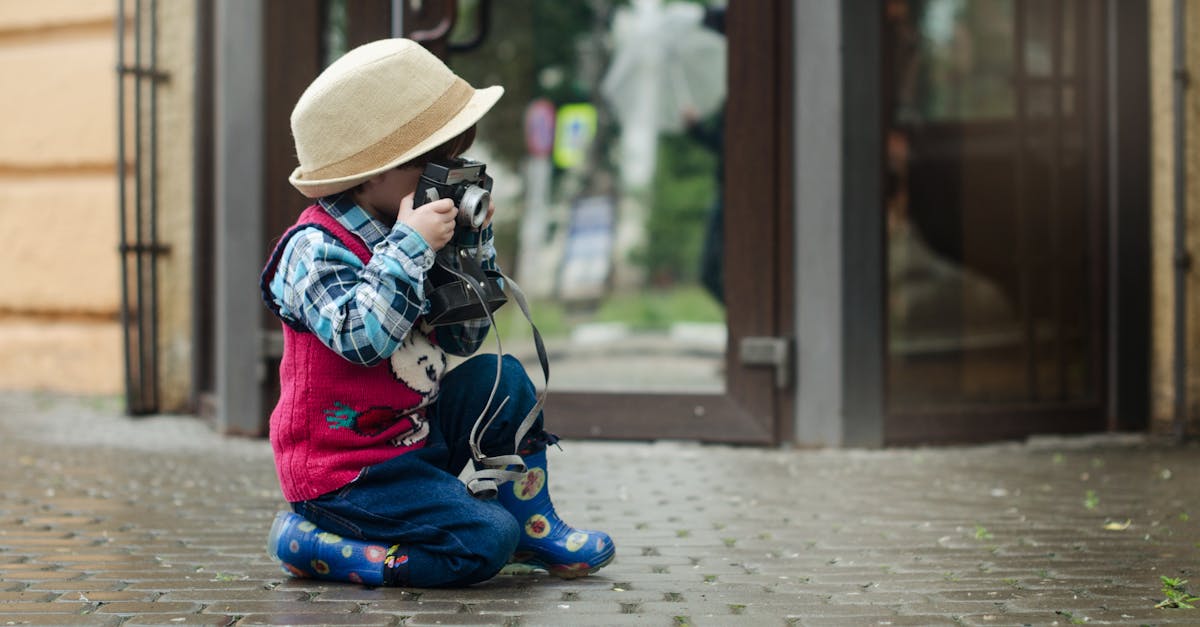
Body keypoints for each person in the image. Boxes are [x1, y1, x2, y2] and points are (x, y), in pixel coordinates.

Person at [259, 38, 614, 588]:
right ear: (373, 171)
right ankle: (321, 546)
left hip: (413, 441)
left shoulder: (415, 232)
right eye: (435, 163)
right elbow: (363, 339)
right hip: (346, 475)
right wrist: (410, 246)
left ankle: (531, 522)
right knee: (482, 540)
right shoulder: (313, 248)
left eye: (455, 160)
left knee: (504, 376)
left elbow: (466, 340)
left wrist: (471, 246)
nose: (446, 177)